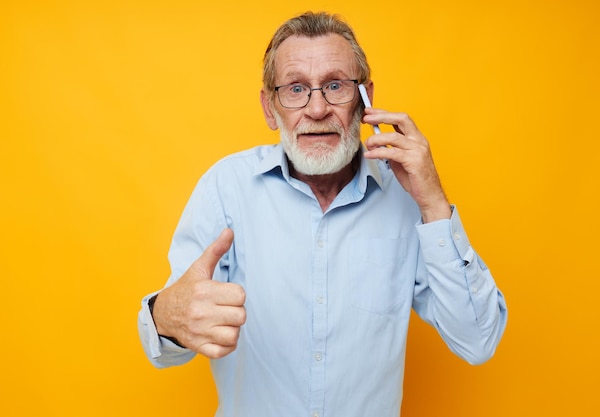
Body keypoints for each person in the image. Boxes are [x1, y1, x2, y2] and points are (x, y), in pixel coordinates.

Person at [138, 11, 507, 417]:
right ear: (269, 106)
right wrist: (166, 317)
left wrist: (434, 204)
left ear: (365, 99)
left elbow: (479, 340)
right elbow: (164, 350)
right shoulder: (226, 187)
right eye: (295, 89)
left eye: (334, 86)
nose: (316, 109)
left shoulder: (406, 196)